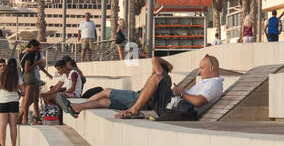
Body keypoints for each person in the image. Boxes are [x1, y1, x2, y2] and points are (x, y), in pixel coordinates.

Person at [60, 54, 223, 123]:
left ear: (212, 68)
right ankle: (77, 107)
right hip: (170, 103)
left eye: (202, 68)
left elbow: (199, 101)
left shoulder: (215, 83)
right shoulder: (206, 82)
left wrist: (182, 92)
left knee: (156, 77)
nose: (199, 71)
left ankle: (134, 110)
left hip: (174, 106)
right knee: (105, 101)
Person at [18, 40, 43, 126]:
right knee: (28, 99)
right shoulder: (29, 55)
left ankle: (24, 117)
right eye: (36, 47)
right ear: (32, 46)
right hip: (29, 78)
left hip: (32, 78)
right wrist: (37, 63)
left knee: (34, 99)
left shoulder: (28, 52)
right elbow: (26, 69)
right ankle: (24, 118)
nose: (38, 49)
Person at [0, 58, 21, 146]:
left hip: (2, 102)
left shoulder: (2, 75)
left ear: (7, 65)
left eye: (4, 65)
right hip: (14, 102)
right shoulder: (16, 75)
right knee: (13, 125)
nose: (2, 67)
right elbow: (23, 89)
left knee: (2, 124)